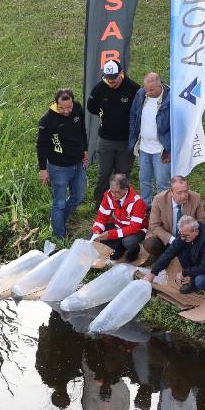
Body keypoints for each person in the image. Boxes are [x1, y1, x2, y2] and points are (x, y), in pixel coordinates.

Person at [139, 216, 205, 306]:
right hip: (204, 260)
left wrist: (184, 272)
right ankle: (194, 281)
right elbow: (170, 251)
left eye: (185, 236)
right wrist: (153, 273)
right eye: (180, 234)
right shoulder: (187, 233)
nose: (182, 238)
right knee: (180, 251)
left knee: (201, 281)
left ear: (196, 231)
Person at [38, 88, 89, 239]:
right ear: (56, 103)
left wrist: (85, 150)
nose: (66, 111)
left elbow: (82, 130)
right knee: (59, 202)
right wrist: (43, 169)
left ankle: (58, 220)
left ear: (73, 102)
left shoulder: (78, 108)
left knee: (78, 197)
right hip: (59, 167)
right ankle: (59, 235)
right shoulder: (47, 120)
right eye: (62, 108)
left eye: (69, 107)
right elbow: (41, 145)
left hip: (78, 163)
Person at [88, 60, 139, 207]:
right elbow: (91, 107)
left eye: (114, 79)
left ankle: (122, 202)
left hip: (126, 141)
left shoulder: (133, 88)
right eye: (109, 79)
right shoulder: (99, 88)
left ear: (121, 73)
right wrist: (107, 116)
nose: (111, 82)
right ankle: (100, 200)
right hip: (105, 140)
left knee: (122, 173)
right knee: (104, 173)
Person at [128, 72, 171, 202]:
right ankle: (146, 207)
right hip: (144, 147)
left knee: (162, 182)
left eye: (151, 90)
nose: (148, 92)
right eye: (146, 89)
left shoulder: (171, 99)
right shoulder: (140, 94)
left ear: (160, 86)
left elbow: (178, 126)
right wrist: (133, 140)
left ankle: (163, 211)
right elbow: (134, 116)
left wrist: (170, 150)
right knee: (144, 180)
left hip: (162, 150)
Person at [144, 176, 205, 257]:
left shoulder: (196, 197)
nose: (184, 196)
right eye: (179, 192)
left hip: (187, 236)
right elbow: (154, 226)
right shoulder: (158, 200)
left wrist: (190, 235)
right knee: (151, 244)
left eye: (186, 191)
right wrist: (172, 240)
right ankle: (162, 255)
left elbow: (201, 221)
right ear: (170, 192)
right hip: (165, 235)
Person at [91, 174, 147, 263]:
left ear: (125, 189)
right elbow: (102, 216)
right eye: (112, 191)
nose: (114, 195)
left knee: (129, 242)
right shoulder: (108, 194)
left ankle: (134, 250)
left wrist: (111, 234)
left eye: (117, 192)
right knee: (95, 235)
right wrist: (97, 230)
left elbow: (134, 227)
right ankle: (119, 246)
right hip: (118, 226)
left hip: (137, 230)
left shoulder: (137, 202)